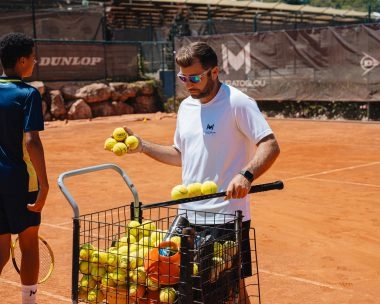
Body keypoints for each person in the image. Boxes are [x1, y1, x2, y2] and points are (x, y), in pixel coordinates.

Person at [125, 41, 280, 303]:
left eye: (195, 77)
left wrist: (246, 175)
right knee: (165, 278)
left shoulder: (238, 103)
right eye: (183, 77)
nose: (188, 83)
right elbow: (180, 156)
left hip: (227, 215)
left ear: (214, 71)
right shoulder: (186, 107)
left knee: (225, 290)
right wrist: (142, 146)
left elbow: (270, 145)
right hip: (187, 214)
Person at [0, 32, 49, 304]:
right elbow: (32, 141)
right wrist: (44, 184)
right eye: (32, 57)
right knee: (29, 245)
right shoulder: (28, 94)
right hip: (21, 182)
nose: (35, 61)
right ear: (21, 62)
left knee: (0, 250)